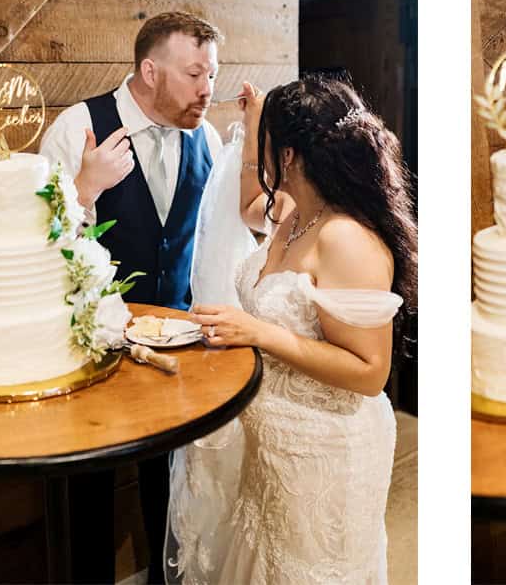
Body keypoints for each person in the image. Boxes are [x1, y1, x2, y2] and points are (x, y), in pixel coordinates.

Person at [166, 74, 417, 583]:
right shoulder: (293, 212)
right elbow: (246, 206)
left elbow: (370, 372)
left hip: (327, 446)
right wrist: (254, 118)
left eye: (267, 146)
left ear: (287, 155)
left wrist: (258, 333)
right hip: (273, 445)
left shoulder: (345, 237)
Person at [38, 11, 224, 584]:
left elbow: (208, 239)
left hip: (177, 352)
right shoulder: (78, 128)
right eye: (195, 74)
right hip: (89, 352)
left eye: (213, 74)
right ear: (149, 70)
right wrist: (85, 188)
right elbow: (39, 245)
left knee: (169, 486)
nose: (207, 89)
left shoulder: (209, 139)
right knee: (87, 491)